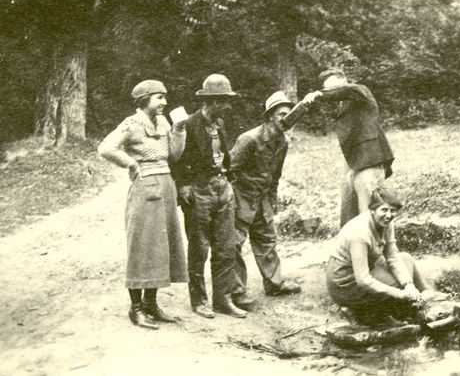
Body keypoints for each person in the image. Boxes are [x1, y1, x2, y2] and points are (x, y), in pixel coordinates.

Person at [98, 80, 187, 330]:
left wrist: (179, 130)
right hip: (144, 188)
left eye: (165, 97)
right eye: (159, 97)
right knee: (142, 246)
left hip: (166, 185)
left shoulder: (164, 123)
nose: (165, 102)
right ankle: (135, 308)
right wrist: (131, 164)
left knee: (161, 247)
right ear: (144, 99)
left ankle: (151, 304)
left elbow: (174, 155)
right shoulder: (132, 123)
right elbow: (105, 148)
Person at [170, 74, 247, 318]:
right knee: (199, 247)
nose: (228, 106)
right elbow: (175, 157)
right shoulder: (188, 125)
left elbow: (224, 157)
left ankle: (223, 300)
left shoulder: (220, 124)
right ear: (213, 102)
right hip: (198, 191)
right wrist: (183, 186)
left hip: (222, 189)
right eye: (225, 102)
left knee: (225, 247)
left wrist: (229, 183)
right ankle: (199, 300)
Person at [229, 91, 312, 307]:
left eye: (288, 114)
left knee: (266, 240)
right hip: (241, 196)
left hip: (262, 197)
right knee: (234, 243)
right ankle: (236, 292)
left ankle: (274, 284)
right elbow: (229, 170)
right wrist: (229, 200)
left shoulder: (282, 142)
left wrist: (272, 198)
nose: (285, 118)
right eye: (280, 114)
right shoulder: (249, 139)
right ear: (269, 116)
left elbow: (275, 175)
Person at [326, 186, 448, 327]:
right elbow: (363, 280)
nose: (389, 215)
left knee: (406, 259)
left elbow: (393, 257)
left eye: (393, 211)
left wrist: (408, 285)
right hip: (344, 282)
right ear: (372, 209)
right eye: (384, 210)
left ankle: (425, 293)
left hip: (368, 267)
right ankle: (369, 313)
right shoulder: (359, 233)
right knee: (397, 287)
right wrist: (399, 293)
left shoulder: (386, 223)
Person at [304, 68, 395, 228]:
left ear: (343, 80)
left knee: (371, 206)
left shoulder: (360, 91)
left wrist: (319, 94)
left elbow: (347, 91)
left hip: (371, 156)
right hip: (353, 160)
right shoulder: (342, 105)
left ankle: (377, 248)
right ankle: (348, 245)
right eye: (327, 89)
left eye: (334, 88)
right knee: (348, 203)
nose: (330, 92)